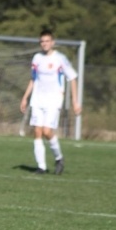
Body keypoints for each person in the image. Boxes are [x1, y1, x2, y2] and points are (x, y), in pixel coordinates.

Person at [20, 29, 81, 175]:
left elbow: (72, 78)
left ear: (52, 42)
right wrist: (25, 97)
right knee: (37, 131)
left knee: (47, 131)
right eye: (42, 41)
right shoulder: (37, 58)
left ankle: (59, 158)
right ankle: (41, 167)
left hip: (53, 100)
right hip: (37, 99)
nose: (44, 44)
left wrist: (75, 101)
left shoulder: (60, 58)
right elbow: (33, 79)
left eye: (47, 41)